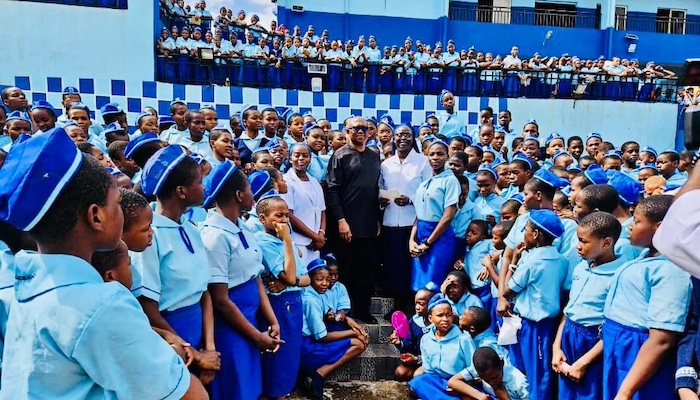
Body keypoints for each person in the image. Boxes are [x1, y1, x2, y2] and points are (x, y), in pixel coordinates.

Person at [0, 128, 207, 398]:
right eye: (118, 203)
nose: (121, 210)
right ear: (96, 217)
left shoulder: (24, 286)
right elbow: (190, 395)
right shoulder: (102, 305)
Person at [130, 145, 220, 384]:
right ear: (181, 191)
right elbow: (148, 308)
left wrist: (209, 348)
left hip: (198, 327)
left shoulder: (190, 228)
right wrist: (195, 354)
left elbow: (204, 293)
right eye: (200, 182)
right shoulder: (150, 236)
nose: (204, 187)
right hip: (171, 335)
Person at [198, 161, 283, 399]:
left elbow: (254, 278)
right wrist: (256, 337)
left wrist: (271, 320)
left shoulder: (241, 227)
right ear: (238, 194)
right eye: (248, 188)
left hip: (250, 321)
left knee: (250, 386)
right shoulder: (214, 237)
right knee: (235, 388)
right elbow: (221, 300)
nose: (252, 194)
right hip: (233, 327)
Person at [603, 196, 691, 400]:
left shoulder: (672, 270)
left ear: (659, 228)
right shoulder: (647, 256)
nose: (629, 227)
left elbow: (661, 339)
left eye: (636, 221)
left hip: (639, 352)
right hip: (621, 346)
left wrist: (626, 391)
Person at [552, 212, 626, 400]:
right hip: (569, 335)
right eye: (578, 240)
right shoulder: (581, 267)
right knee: (566, 393)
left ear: (607, 243)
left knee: (589, 393)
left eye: (584, 241)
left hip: (593, 341)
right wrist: (556, 346)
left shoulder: (619, 277)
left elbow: (614, 328)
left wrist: (584, 362)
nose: (578, 246)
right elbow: (569, 310)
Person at [502, 209, 568, 400]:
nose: (524, 234)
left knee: (537, 375)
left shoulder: (532, 261)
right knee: (539, 372)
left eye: (526, 230)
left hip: (534, 326)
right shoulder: (561, 260)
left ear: (536, 235)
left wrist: (514, 261)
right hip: (548, 323)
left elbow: (507, 290)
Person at [255, 194, 311, 400]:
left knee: (289, 358)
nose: (285, 221)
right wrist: (288, 240)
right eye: (279, 216)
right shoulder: (265, 243)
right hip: (278, 306)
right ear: (263, 218)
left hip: (294, 302)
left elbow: (306, 279)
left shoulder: (286, 242)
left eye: (287, 216)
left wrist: (292, 281)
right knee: (275, 361)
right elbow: (288, 274)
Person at [326, 116, 381, 323]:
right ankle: (345, 311)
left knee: (365, 270)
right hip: (346, 225)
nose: (360, 131)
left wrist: (376, 217)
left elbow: (375, 189)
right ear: (346, 131)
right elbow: (332, 191)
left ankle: (362, 310)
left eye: (364, 128)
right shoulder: (339, 156)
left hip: (368, 224)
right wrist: (340, 219)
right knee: (346, 269)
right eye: (355, 128)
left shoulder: (374, 157)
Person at [300, 259, 368, 399]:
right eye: (319, 279)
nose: (325, 283)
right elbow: (323, 336)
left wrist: (348, 320)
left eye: (327, 279)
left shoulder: (315, 293)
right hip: (306, 347)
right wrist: (354, 333)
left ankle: (315, 375)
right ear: (310, 278)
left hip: (309, 342)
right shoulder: (311, 300)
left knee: (357, 341)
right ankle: (319, 374)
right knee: (358, 343)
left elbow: (331, 312)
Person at [380, 123, 431, 307]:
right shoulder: (386, 164)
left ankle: (412, 304)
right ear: (393, 139)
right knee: (393, 264)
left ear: (414, 138)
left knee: (411, 265)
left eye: (407, 135)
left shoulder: (423, 162)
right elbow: (381, 189)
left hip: (413, 221)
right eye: (399, 135)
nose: (403, 138)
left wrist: (410, 199)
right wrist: (382, 199)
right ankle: (396, 306)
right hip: (390, 221)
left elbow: (428, 191)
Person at [410, 140, 460, 291]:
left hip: (439, 237)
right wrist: (412, 240)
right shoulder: (426, 182)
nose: (435, 158)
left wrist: (428, 243)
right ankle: (421, 315)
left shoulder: (450, 180)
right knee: (419, 283)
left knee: (433, 283)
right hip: (421, 234)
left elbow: (448, 216)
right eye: (432, 154)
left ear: (448, 156)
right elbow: (418, 215)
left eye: (440, 154)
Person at [408, 295, 477, 400]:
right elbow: (429, 370)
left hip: (460, 383)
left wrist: (460, 384)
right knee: (418, 381)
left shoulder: (463, 339)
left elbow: (474, 368)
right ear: (430, 318)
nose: (445, 319)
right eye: (440, 315)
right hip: (438, 383)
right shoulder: (426, 339)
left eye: (449, 315)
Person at [282, 142, 327, 265]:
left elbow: (322, 211)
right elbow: (289, 215)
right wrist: (314, 236)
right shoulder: (286, 181)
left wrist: (321, 235)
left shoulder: (314, 182)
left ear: (310, 159)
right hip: (298, 242)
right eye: (297, 155)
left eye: (305, 155)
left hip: (315, 245)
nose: (301, 159)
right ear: (290, 158)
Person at [449, 347, 530, 400]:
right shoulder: (482, 367)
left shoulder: (519, 382)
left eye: (494, 377)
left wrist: (505, 398)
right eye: (486, 380)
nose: (491, 383)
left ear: (501, 364)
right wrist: (481, 397)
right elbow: (452, 381)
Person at [389, 289, 434, 381]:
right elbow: (408, 344)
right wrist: (399, 343)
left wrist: (418, 359)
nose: (417, 307)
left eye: (421, 304)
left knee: (419, 375)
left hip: (432, 363)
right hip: (416, 361)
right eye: (416, 303)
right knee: (401, 372)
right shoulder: (414, 321)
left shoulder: (438, 325)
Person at [460, 220, 492, 308]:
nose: (469, 234)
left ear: (482, 237)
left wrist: (488, 266)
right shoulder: (467, 250)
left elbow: (496, 252)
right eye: (468, 231)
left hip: (485, 286)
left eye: (473, 233)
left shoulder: (487, 243)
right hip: (473, 288)